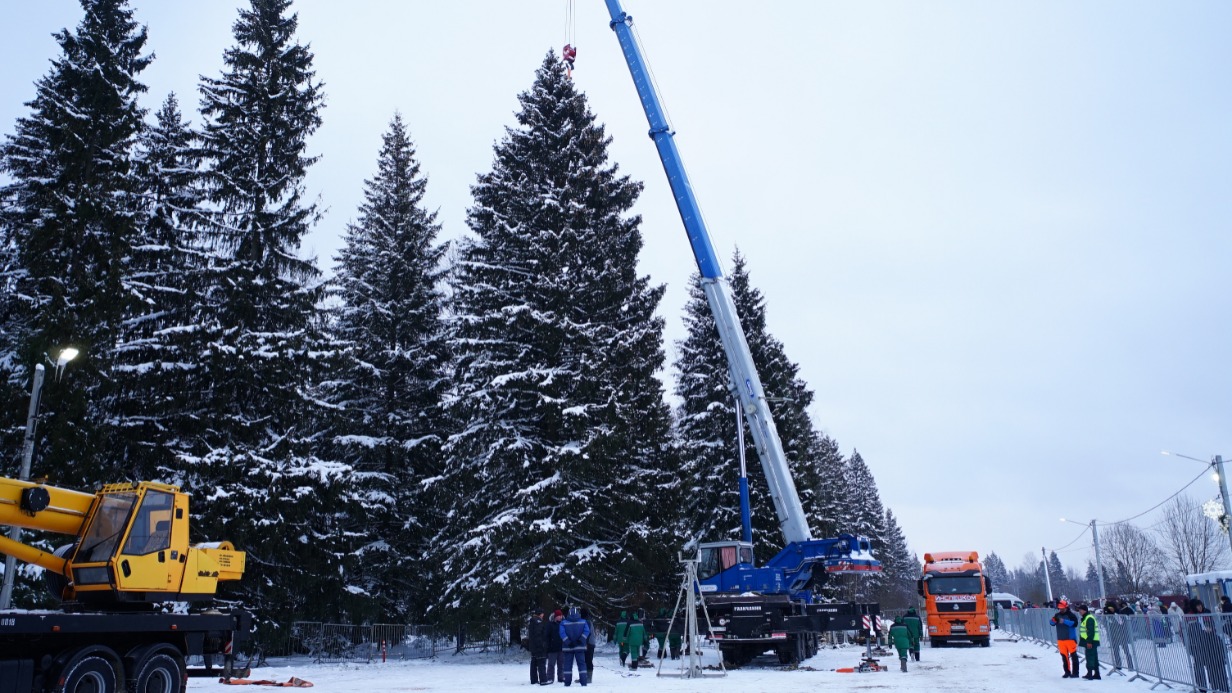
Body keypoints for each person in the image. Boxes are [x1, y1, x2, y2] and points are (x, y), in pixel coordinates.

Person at [1186, 599, 1229, 693]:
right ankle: (1202, 688)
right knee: (1199, 667)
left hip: (1210, 644)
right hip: (1196, 645)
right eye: (1197, 605)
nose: (1200, 607)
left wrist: (1211, 629)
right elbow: (1187, 632)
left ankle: (1217, 686)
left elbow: (1212, 625)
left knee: (1213, 666)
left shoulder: (1207, 612)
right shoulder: (1189, 616)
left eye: (1200, 605)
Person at [560, 607, 590, 687]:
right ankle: (583, 682)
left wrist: (568, 641)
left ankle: (567, 682)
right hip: (580, 646)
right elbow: (587, 631)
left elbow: (562, 633)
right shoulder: (583, 622)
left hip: (568, 647)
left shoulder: (563, 623)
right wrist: (581, 640)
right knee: (582, 664)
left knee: (567, 665)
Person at [1051, 600, 1080, 679]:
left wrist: (1064, 621)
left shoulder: (1071, 615)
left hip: (1070, 639)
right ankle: (1067, 672)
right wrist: (1053, 621)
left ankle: (1075, 673)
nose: (1061, 610)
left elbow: (1075, 624)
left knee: (1074, 656)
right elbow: (1052, 623)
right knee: (1064, 657)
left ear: (1066, 607)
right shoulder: (1057, 615)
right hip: (1061, 639)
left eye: (1062, 608)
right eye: (1060, 608)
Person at [1077, 604, 1101, 680]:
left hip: (1090, 641)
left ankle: (1090, 673)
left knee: (1090, 657)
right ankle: (1096, 673)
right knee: (1093, 657)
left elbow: (1090, 631)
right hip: (1091, 641)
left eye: (1080, 610)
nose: (1079, 612)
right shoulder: (1087, 618)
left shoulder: (1088, 618)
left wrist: (1089, 641)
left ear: (1084, 610)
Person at [527, 608, 549, 685]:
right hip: (539, 646)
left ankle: (534, 679)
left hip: (533, 646)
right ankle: (543, 680)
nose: (543, 615)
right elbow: (539, 635)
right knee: (541, 662)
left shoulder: (532, 621)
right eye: (542, 614)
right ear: (540, 614)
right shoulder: (538, 622)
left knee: (534, 663)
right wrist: (542, 645)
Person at [546, 609, 564, 683]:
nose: (560, 617)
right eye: (559, 616)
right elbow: (546, 636)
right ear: (555, 617)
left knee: (561, 664)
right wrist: (548, 645)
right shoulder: (550, 624)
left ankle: (561, 677)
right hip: (552, 648)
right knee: (551, 664)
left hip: (561, 647)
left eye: (561, 615)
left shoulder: (563, 624)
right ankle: (550, 678)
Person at [580, 608, 597, 682]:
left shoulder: (587, 621)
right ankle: (584, 677)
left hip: (589, 643)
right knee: (585, 660)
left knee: (588, 660)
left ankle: (589, 678)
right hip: (589, 643)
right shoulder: (587, 620)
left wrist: (585, 643)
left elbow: (588, 633)